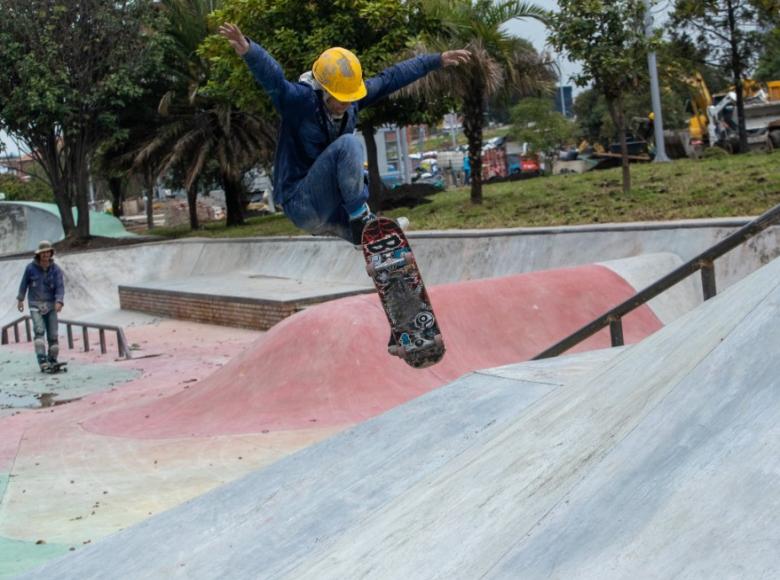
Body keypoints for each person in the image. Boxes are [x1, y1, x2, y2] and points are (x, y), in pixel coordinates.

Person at [219, 22, 469, 245]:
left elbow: (391, 77)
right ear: (324, 91)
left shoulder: (353, 100)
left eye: (349, 100)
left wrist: (436, 60)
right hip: (301, 203)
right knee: (349, 144)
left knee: (376, 237)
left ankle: (374, 249)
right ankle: (362, 218)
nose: (345, 105)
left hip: (330, 212)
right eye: (339, 100)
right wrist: (249, 51)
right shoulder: (301, 101)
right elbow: (274, 81)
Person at [16, 240, 65, 371]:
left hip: (51, 304)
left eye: (48, 252)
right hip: (35, 304)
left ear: (51, 253)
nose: (45, 255)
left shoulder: (56, 270)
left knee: (53, 334)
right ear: (39, 254)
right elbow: (24, 284)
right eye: (43, 253)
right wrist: (20, 299)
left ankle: (53, 359)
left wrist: (59, 301)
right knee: (39, 330)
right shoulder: (30, 268)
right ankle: (42, 360)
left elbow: (60, 287)